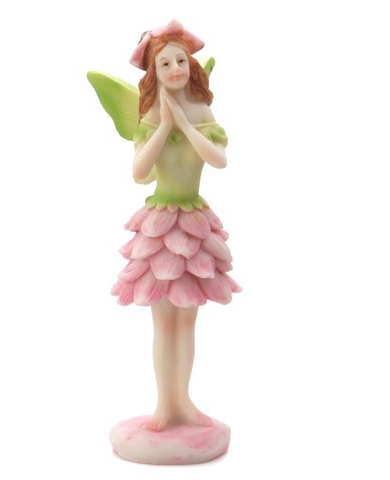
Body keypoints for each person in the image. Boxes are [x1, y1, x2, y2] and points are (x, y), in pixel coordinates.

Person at [110, 20, 241, 432]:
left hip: (194, 222)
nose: (175, 69)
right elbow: (140, 173)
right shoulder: (150, 114)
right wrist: (165, 125)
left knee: (187, 321)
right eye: (165, 63)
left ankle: (183, 401)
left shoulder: (201, 111)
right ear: (154, 72)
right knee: (163, 321)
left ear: (191, 65)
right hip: (162, 226)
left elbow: (218, 160)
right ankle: (164, 406)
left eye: (181, 60)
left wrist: (184, 123)